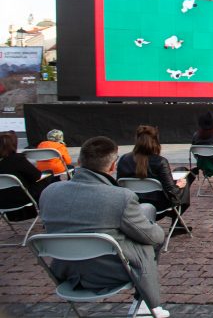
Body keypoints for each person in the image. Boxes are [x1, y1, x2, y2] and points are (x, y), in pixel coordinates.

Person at [39, 136, 168, 318]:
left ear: (79, 161)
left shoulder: (49, 192)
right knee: (147, 236)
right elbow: (155, 238)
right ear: (112, 166)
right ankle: (146, 302)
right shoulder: (120, 198)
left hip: (64, 271)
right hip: (111, 273)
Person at [117, 125, 194, 234]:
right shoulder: (160, 161)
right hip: (159, 207)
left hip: (132, 205)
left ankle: (177, 224)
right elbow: (172, 191)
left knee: (180, 170)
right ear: (156, 141)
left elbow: (118, 186)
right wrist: (179, 185)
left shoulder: (124, 159)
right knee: (184, 179)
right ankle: (176, 224)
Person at [0, 130, 56, 221]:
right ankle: (51, 212)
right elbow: (37, 176)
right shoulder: (17, 159)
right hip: (22, 198)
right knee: (48, 175)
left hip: (2, 202)